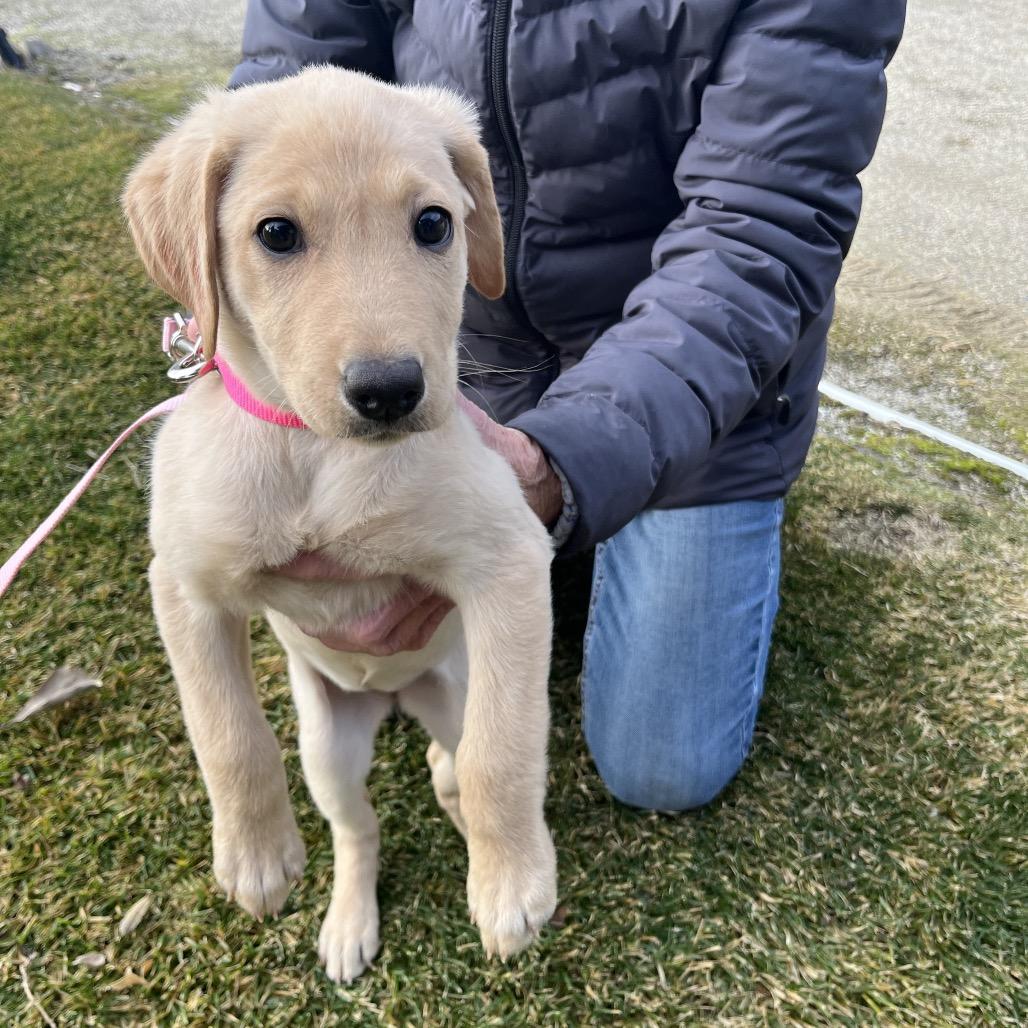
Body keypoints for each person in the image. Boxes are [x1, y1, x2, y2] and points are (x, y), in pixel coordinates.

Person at [226, 0, 906, 811]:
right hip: (468, 356)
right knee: (391, 593)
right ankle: (572, 539)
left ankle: (640, 513)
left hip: (692, 383)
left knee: (661, 766)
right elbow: (285, 91)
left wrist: (559, 466)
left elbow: (761, 232)